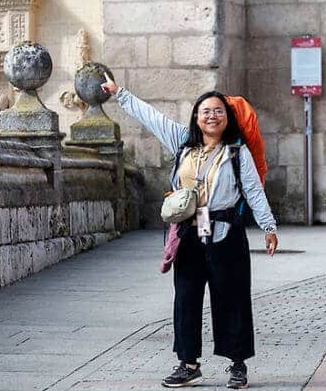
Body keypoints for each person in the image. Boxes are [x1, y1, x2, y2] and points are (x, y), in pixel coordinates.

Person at [101, 79, 278, 389]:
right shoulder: (183, 142)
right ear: (197, 117)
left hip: (226, 234)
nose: (212, 116)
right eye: (206, 111)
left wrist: (269, 227)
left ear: (228, 118)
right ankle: (189, 364)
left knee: (232, 298)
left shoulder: (237, 152)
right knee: (186, 298)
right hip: (188, 234)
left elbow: (252, 189)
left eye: (219, 111)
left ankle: (238, 365)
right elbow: (152, 118)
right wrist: (121, 94)